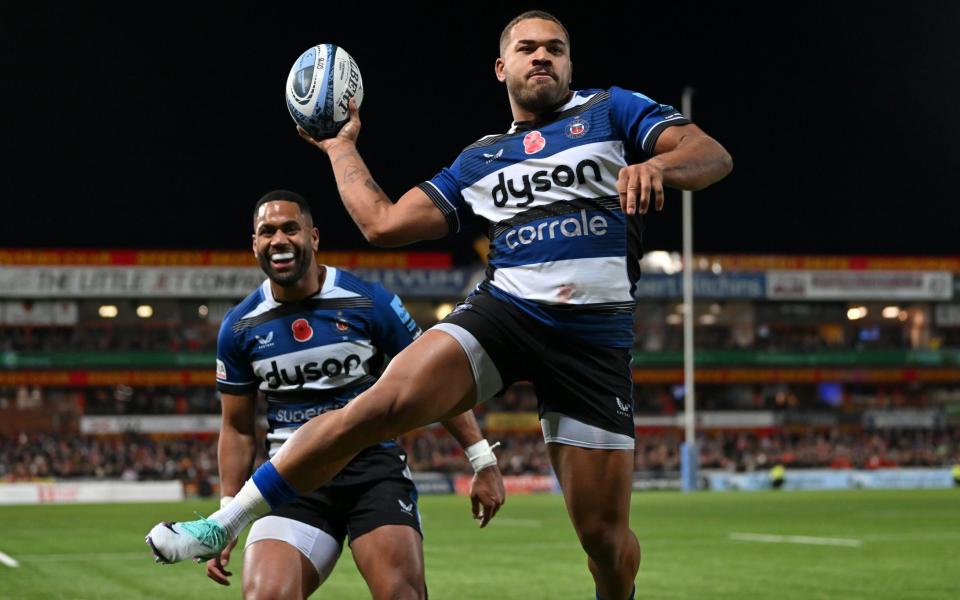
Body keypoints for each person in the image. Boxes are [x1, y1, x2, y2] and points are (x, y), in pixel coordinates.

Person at [147, 11, 732, 600]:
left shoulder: (612, 111)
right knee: (373, 408)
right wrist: (339, 146)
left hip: (593, 342)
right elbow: (383, 223)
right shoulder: (481, 159)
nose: (542, 57)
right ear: (502, 67)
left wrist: (657, 165)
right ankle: (222, 522)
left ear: (570, 64)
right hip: (506, 314)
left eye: (555, 48)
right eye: (527, 48)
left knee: (605, 542)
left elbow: (710, 154)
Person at [152, 190, 505, 600]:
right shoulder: (239, 327)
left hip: (372, 472)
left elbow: (433, 382)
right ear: (255, 244)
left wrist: (482, 458)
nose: (278, 239)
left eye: (290, 228)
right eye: (267, 231)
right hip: (289, 478)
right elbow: (237, 427)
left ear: (313, 237)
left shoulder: (369, 302)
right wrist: (228, 510)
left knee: (401, 595)